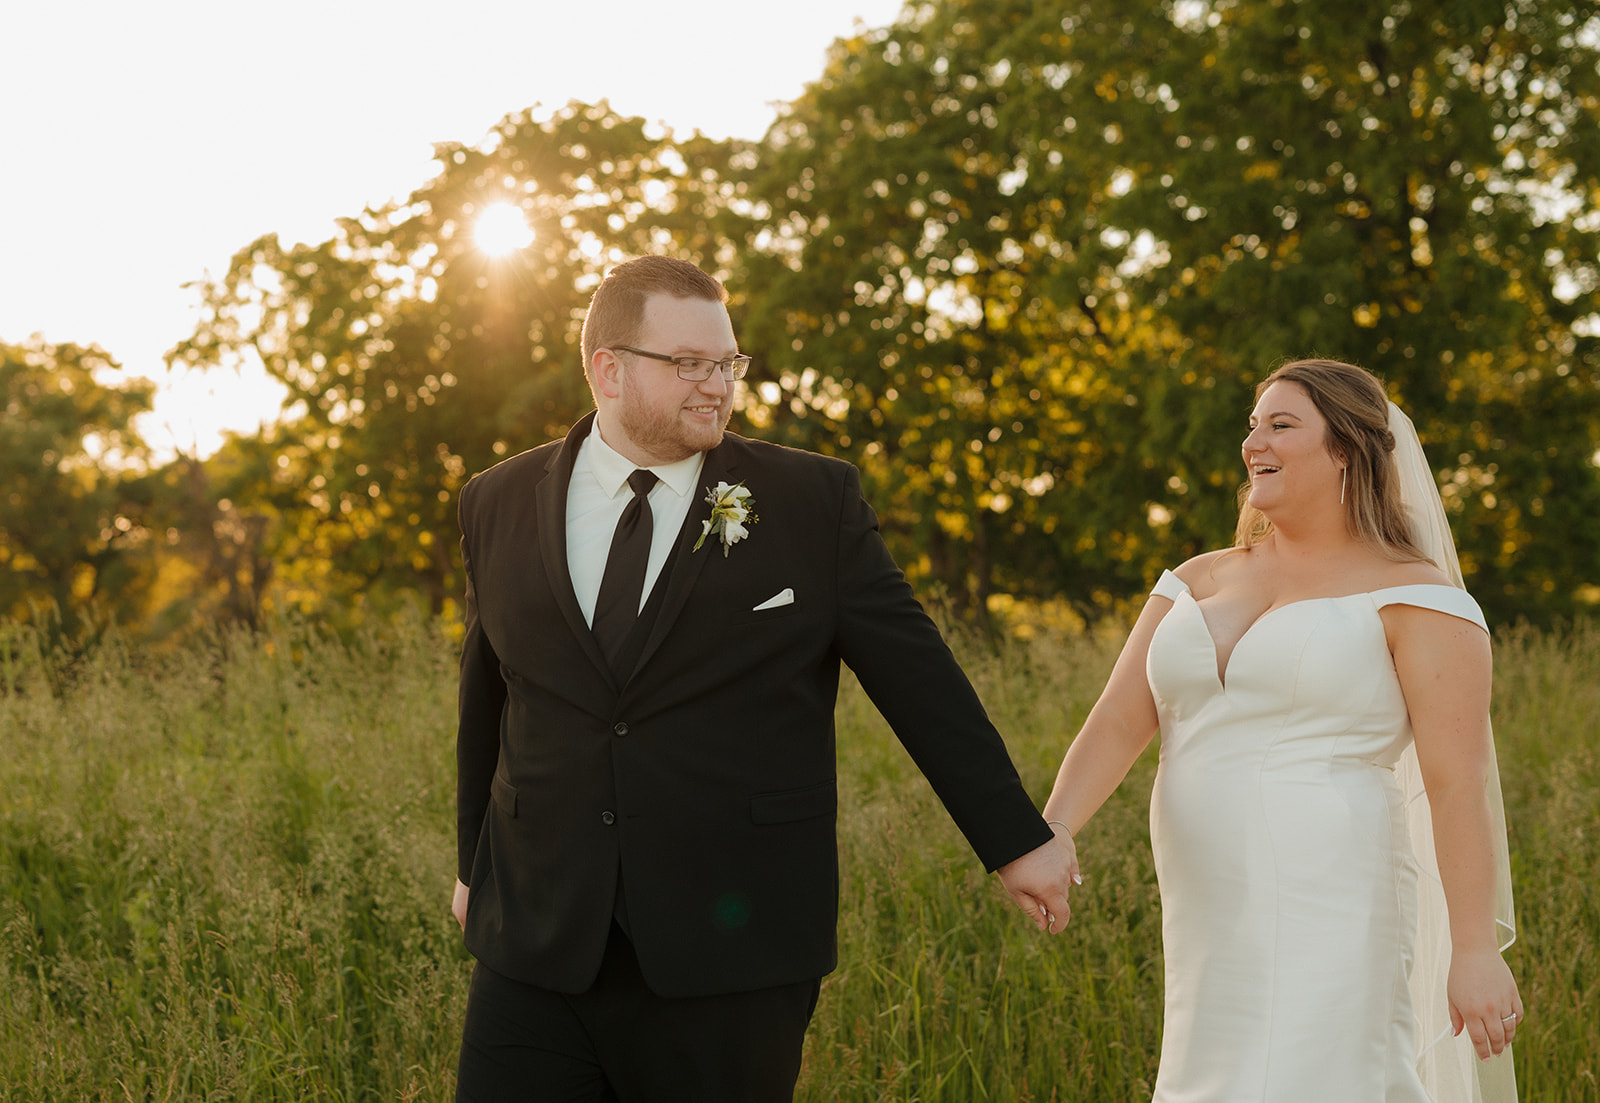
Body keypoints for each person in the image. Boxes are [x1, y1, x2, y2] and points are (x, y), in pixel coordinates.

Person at [449, 255, 1078, 1102]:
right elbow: (488, 696)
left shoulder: (810, 501)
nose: (718, 386)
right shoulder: (496, 499)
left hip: (729, 951)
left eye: (729, 363)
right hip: (535, 940)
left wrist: (1016, 840)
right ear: (608, 369)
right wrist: (471, 867)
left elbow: (919, 678)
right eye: (690, 365)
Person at [1041, 359, 1522, 1101]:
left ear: (1345, 449)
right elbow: (1116, 719)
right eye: (1253, 423)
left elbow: (1456, 785)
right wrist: (1058, 827)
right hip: (1206, 904)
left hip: (1336, 891)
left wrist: (1472, 948)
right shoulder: (1196, 577)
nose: (1253, 439)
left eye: (1281, 423)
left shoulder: (1419, 596)